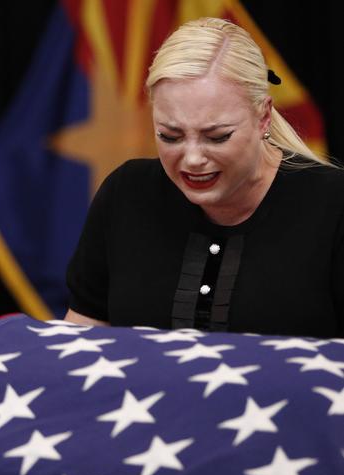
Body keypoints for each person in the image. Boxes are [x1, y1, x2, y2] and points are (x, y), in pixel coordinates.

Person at [64, 17, 344, 338]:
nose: (193, 159)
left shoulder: (333, 206)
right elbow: (80, 344)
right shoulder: (125, 195)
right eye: (170, 136)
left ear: (263, 117)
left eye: (217, 137)